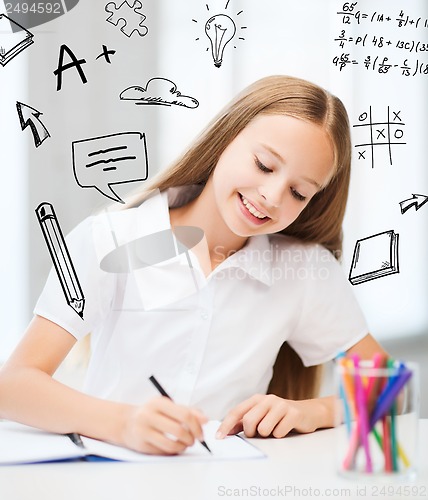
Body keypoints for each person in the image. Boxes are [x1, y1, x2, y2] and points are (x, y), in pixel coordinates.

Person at [0, 75, 387, 455]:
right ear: (225, 138)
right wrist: (124, 423)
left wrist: (312, 410)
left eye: (298, 192)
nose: (271, 196)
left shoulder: (304, 271)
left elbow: (389, 386)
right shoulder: (110, 238)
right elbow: (13, 386)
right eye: (264, 165)